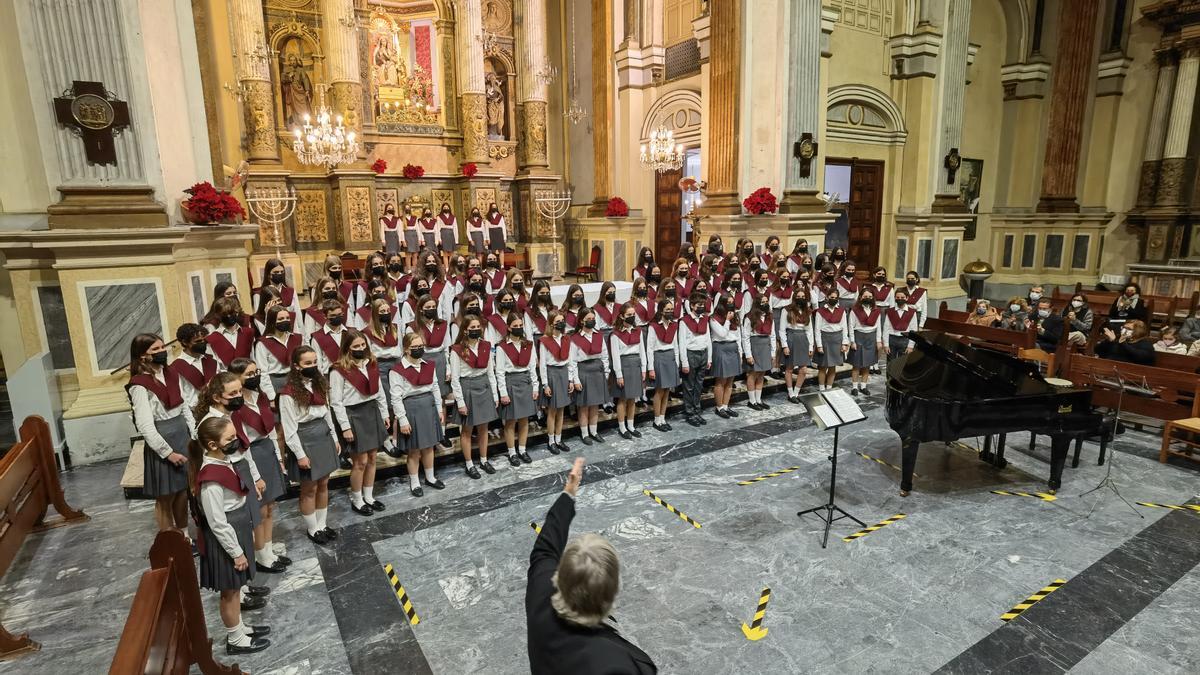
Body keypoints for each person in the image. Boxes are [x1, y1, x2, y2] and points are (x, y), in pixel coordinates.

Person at [526, 457, 657, 675]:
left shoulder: (541, 597)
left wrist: (569, 491)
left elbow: (544, 550)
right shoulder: (613, 665)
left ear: (559, 578)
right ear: (611, 593)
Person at [189, 416, 271, 655]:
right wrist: (236, 553)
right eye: (230, 439)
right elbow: (216, 522)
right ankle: (235, 639)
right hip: (225, 538)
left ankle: (241, 628)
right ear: (213, 445)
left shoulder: (224, 462)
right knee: (230, 591)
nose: (235, 441)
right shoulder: (210, 479)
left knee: (237, 588)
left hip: (237, 527)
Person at [228, 357, 291, 573]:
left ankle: (269, 552)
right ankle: (261, 556)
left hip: (267, 451)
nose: (254, 377)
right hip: (251, 456)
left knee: (270, 507)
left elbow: (270, 429)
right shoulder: (236, 407)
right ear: (236, 378)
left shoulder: (260, 396)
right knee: (259, 511)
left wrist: (279, 457)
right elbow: (243, 443)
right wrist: (255, 476)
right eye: (249, 374)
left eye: (256, 373)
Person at [127, 333, 195, 533]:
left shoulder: (171, 374)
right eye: (154, 350)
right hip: (163, 440)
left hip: (182, 434)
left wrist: (193, 434)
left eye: (162, 347)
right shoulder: (139, 385)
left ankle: (183, 536)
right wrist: (168, 453)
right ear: (142, 356)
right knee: (166, 496)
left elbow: (183, 407)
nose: (161, 352)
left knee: (182, 492)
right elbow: (146, 426)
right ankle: (170, 540)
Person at [279, 346, 342, 546]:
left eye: (315, 362)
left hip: (323, 436)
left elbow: (326, 412)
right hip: (305, 440)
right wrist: (300, 454)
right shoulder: (288, 393)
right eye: (308, 363)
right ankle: (312, 528)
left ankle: (322, 524)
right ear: (296, 366)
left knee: (324, 484)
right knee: (309, 489)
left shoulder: (319, 384)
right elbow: (289, 429)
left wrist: (334, 437)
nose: (313, 366)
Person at [330, 330, 390, 517]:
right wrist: (345, 427)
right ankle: (357, 499)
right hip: (354, 415)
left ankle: (369, 496)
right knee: (360, 461)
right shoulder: (339, 369)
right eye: (356, 346)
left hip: (371, 410)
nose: (361, 349)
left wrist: (385, 413)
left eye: (363, 345)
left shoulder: (371, 362)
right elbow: (336, 401)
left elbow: (378, 391)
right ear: (347, 348)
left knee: (372, 457)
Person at [390, 332, 446, 497]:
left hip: (428, 407)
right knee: (414, 450)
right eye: (414, 347)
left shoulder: (428, 365)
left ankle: (430, 477)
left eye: (421, 346)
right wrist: (402, 420)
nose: (418, 349)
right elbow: (396, 398)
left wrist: (439, 409)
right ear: (406, 349)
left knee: (429, 446)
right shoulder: (398, 370)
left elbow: (435, 387)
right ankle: (414, 482)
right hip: (411, 410)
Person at [450, 316, 500, 479]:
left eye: (479, 326)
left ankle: (484, 460)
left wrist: (495, 394)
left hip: (484, 386)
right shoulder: (457, 350)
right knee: (467, 430)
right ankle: (469, 464)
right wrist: (460, 402)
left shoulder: (486, 346)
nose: (476, 329)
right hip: (467, 389)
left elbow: (491, 372)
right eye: (473, 327)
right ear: (465, 330)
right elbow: (455, 379)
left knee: (484, 428)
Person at [496, 313, 539, 465]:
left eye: (521, 326)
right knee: (510, 421)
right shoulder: (502, 347)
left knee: (524, 419)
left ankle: (522, 449)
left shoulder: (528, 344)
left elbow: (532, 367)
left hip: (525, 381)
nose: (519, 328)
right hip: (511, 383)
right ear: (508, 327)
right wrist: (503, 393)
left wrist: (535, 387)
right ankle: (512, 452)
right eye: (516, 326)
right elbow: (500, 372)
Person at [571, 308, 610, 444]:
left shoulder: (598, 335)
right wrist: (575, 379)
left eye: (593, 319)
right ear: (582, 321)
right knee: (584, 405)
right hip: (584, 371)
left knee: (595, 404)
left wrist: (606, 372)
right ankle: (584, 433)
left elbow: (604, 355)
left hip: (597, 371)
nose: (592, 321)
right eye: (589, 319)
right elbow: (572, 361)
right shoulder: (575, 338)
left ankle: (594, 431)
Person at [539, 310, 576, 453]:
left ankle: (559, 439)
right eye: (558, 321)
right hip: (552, 374)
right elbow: (542, 364)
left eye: (562, 321)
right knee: (552, 411)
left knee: (561, 410)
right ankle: (551, 441)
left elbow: (570, 361)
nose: (561, 324)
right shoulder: (545, 340)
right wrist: (545, 384)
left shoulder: (566, 339)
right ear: (551, 324)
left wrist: (571, 379)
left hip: (563, 373)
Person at [609, 303, 646, 438]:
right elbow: (615, 356)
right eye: (629, 315)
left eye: (633, 315)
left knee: (633, 398)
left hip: (636, 365)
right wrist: (619, 375)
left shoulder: (638, 331)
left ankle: (631, 425)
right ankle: (622, 427)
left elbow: (642, 351)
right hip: (624, 366)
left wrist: (644, 369)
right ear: (621, 316)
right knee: (623, 399)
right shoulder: (615, 334)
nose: (631, 317)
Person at [647, 298, 683, 429]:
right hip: (659, 358)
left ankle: (663, 417)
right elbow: (649, 348)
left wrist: (677, 362)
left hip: (670, 357)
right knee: (659, 391)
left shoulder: (673, 325)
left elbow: (676, 345)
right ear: (661, 311)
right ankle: (656, 420)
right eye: (667, 310)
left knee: (667, 390)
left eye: (671, 310)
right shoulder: (654, 326)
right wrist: (650, 368)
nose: (670, 312)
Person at [253, 305, 302, 399]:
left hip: (295, 380)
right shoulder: (263, 343)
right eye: (281, 319)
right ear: (272, 322)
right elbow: (263, 372)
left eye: (287, 318)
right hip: (275, 383)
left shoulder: (297, 338)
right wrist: (271, 396)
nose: (285, 321)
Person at [679, 290, 712, 424]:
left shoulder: (705, 319)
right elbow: (682, 343)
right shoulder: (684, 321)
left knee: (699, 385)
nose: (701, 307)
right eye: (699, 305)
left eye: (703, 304)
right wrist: (684, 362)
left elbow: (708, 338)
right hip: (691, 354)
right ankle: (689, 412)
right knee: (689, 386)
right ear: (692, 305)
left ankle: (697, 410)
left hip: (703, 353)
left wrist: (709, 358)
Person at [171, 323, 220, 411]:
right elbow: (181, 396)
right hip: (196, 412)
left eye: (203, 340)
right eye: (197, 341)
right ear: (185, 342)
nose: (202, 343)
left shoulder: (210, 359)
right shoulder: (176, 367)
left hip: (217, 406)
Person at [709, 295, 743, 417]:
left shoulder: (735, 316)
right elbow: (723, 334)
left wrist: (740, 352)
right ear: (722, 304)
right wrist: (728, 320)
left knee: (730, 381)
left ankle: (725, 406)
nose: (730, 305)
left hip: (733, 348)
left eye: (732, 302)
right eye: (728, 302)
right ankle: (719, 407)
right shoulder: (713, 318)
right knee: (721, 381)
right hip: (721, 348)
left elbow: (738, 336)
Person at [777, 288, 812, 403]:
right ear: (794, 297)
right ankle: (790, 393)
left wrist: (811, 346)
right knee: (789, 368)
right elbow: (782, 330)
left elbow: (809, 330)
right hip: (791, 338)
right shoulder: (786, 310)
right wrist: (784, 345)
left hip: (803, 339)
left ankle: (796, 393)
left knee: (803, 369)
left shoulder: (807, 311)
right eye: (799, 296)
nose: (801, 299)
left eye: (803, 297)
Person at [741, 294, 774, 409]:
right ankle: (752, 401)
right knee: (753, 373)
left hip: (766, 346)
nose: (765, 304)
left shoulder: (769, 316)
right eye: (763, 302)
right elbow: (745, 337)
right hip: (755, 345)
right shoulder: (749, 317)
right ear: (757, 303)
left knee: (762, 373)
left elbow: (773, 335)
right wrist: (748, 355)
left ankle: (759, 399)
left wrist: (773, 352)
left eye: (766, 301)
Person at [847, 288, 882, 396]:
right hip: (859, 337)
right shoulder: (854, 310)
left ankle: (863, 386)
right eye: (865, 296)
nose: (868, 298)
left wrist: (878, 341)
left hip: (871, 337)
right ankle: (854, 387)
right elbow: (851, 326)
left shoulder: (876, 310)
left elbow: (878, 327)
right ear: (861, 297)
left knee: (867, 365)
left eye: (870, 297)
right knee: (856, 365)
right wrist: (852, 341)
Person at [207, 297, 257, 369]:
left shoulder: (248, 333)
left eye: (231, 313)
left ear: (236, 312)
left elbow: (253, 358)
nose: (229, 316)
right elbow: (216, 367)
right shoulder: (212, 339)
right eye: (224, 314)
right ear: (217, 315)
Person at [813, 290, 849, 391]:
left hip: (837, 340)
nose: (833, 299)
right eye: (831, 297)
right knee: (823, 366)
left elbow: (844, 328)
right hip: (825, 339)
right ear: (827, 297)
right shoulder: (820, 311)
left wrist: (845, 343)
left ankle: (829, 388)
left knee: (833, 366)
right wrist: (819, 345)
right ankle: (821, 388)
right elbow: (817, 330)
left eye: (835, 298)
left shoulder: (841, 311)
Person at [309, 299, 348, 375]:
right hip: (328, 376)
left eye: (340, 314)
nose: (337, 317)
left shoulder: (349, 333)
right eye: (333, 315)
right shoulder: (317, 337)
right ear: (325, 316)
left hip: (349, 375)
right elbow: (318, 363)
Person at [882, 289, 918, 365]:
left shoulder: (912, 312)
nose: (900, 299)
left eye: (902, 297)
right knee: (890, 363)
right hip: (892, 339)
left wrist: (911, 346)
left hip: (905, 340)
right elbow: (886, 328)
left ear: (907, 298)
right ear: (895, 298)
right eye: (897, 297)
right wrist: (886, 344)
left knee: (902, 364)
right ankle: (890, 377)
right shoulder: (890, 311)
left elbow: (913, 330)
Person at [485, 203, 508, 268]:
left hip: (499, 233)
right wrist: (487, 238)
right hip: (491, 233)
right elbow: (486, 228)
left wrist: (504, 237)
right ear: (491, 208)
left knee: (501, 250)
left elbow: (503, 227)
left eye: (495, 207)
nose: (494, 208)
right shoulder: (488, 216)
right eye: (493, 207)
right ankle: (493, 265)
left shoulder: (500, 216)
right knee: (493, 250)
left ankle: (502, 265)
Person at [438, 202, 459, 267]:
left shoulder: (453, 217)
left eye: (447, 207)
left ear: (449, 208)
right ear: (442, 208)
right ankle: (446, 268)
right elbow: (438, 228)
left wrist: (456, 240)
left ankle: (450, 267)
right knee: (445, 253)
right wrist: (439, 238)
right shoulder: (439, 217)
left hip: (451, 234)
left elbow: (455, 228)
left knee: (451, 253)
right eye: (444, 207)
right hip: (443, 234)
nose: (446, 208)